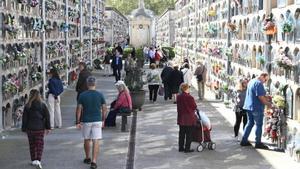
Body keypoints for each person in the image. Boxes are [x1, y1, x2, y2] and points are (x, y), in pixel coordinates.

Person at [76, 76, 107, 169]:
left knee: (86, 139)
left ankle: (87, 157)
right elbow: (104, 109)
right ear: (95, 84)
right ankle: (94, 161)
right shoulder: (100, 95)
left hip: (86, 120)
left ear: (87, 84)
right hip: (97, 119)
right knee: (96, 140)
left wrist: (78, 121)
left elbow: (79, 110)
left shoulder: (82, 95)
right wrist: (103, 120)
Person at [240, 73, 272, 149]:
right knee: (259, 124)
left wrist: (266, 97)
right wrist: (268, 104)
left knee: (250, 123)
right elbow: (260, 97)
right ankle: (258, 143)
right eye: (265, 79)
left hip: (248, 106)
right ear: (262, 76)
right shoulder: (259, 83)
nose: (265, 82)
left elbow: (254, 93)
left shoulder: (252, 81)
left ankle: (244, 140)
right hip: (256, 107)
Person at [22, 89, 51, 169]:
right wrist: (48, 127)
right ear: (39, 95)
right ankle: (38, 159)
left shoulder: (27, 106)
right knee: (39, 144)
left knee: (32, 145)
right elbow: (47, 117)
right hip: (40, 128)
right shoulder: (43, 105)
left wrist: (24, 129)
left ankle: (33, 160)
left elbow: (24, 119)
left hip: (30, 128)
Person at [177, 83, 197, 153]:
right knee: (189, 134)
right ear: (186, 89)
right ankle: (187, 148)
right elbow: (194, 106)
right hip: (189, 118)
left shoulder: (178, 97)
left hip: (181, 117)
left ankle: (181, 147)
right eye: (188, 88)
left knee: (181, 134)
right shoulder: (190, 97)